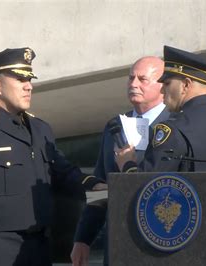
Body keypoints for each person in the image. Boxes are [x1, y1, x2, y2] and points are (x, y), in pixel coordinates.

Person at [0, 47, 105, 266]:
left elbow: (62, 172)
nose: (29, 85)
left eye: (29, 78)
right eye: (20, 79)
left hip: (39, 245)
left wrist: (95, 185)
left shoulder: (39, 129)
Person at [71, 56, 171, 266]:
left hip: (161, 242)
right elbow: (100, 186)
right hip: (118, 242)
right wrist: (83, 238)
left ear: (163, 85)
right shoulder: (115, 125)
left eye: (142, 79)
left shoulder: (177, 124)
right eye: (131, 78)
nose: (134, 84)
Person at [115, 45, 206, 174]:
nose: (162, 91)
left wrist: (127, 164)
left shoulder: (172, 129)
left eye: (167, 83)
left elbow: (146, 183)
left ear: (186, 85)